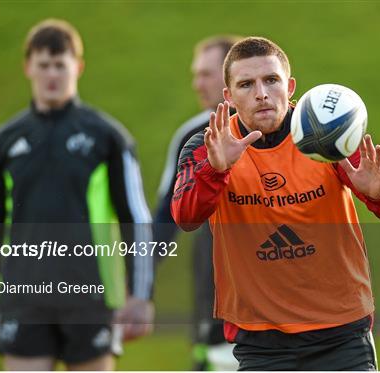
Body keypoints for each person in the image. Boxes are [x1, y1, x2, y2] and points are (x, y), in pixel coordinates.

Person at [171, 36, 380, 370]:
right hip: (261, 342)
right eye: (246, 84)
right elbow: (185, 216)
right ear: (228, 96)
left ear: (290, 85)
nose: (261, 93)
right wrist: (216, 169)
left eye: (271, 80)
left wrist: (377, 193)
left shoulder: (326, 134)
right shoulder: (209, 145)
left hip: (340, 333)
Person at [0, 19, 154, 371]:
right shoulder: (5, 142)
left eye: (60, 65)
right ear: (28, 68)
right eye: (44, 65)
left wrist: (140, 295)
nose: (52, 74)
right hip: (23, 297)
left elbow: (135, 218)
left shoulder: (107, 137)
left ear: (77, 67)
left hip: (91, 297)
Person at [154, 35, 241, 370]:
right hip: (216, 303)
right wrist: (135, 284)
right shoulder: (193, 136)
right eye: (196, 74)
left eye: (205, 74)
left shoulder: (281, 129)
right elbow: (164, 221)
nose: (196, 83)